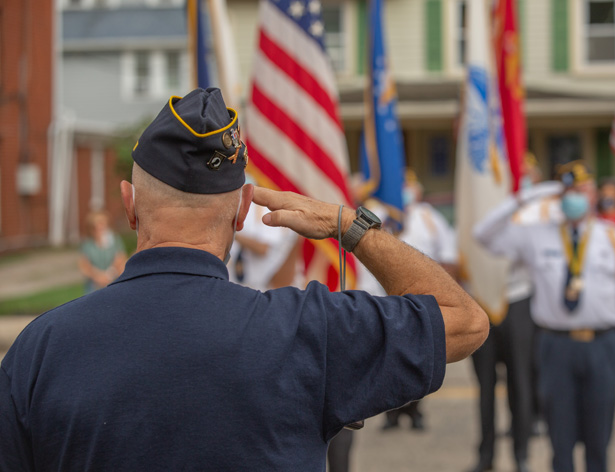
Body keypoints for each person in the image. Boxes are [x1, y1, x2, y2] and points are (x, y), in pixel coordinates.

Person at [0, 88, 489, 471]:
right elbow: (465, 321)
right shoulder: (304, 331)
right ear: (240, 212)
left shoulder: (41, 349)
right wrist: (349, 225)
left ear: (129, 205)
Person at [474, 161, 615, 472]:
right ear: (556, 196)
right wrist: (525, 197)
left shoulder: (613, 239)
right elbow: (482, 235)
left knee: (599, 437)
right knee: (560, 437)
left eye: (582, 191)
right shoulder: (536, 236)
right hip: (555, 347)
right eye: (568, 191)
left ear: (594, 195)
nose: (575, 198)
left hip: (601, 344)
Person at [468, 153, 559, 472]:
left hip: (518, 300)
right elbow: (477, 235)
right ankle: (486, 454)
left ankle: (521, 454)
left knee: (521, 382)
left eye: (526, 174)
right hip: (481, 299)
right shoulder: (487, 204)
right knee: (486, 387)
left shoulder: (542, 213)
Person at [382, 170, 459, 431]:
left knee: (418, 357)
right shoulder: (383, 215)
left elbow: (447, 254)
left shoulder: (429, 217)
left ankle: (415, 410)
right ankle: (390, 413)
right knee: (388, 356)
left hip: (421, 298)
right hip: (388, 297)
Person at [78, 210, 127, 293]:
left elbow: (120, 259)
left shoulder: (115, 240)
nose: (102, 227)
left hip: (113, 281)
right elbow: (84, 265)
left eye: (104, 224)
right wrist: (98, 277)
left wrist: (109, 275)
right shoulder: (87, 244)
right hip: (94, 285)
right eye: (99, 224)